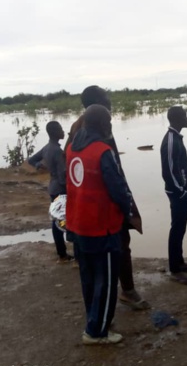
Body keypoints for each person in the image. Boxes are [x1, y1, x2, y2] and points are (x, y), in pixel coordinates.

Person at [66, 86, 150, 310]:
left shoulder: (99, 122)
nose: (110, 101)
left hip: (104, 194)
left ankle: (124, 291)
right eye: (106, 98)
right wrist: (123, 201)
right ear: (95, 102)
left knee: (121, 244)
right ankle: (117, 299)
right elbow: (78, 165)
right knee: (113, 248)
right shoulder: (90, 125)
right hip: (100, 199)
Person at [66, 104, 131, 344]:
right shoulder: (103, 151)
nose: (110, 125)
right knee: (106, 280)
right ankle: (96, 332)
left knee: (89, 278)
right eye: (109, 121)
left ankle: (95, 319)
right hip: (101, 226)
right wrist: (128, 211)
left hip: (77, 225)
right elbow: (118, 189)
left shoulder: (72, 148)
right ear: (103, 124)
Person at [160, 106, 187, 285]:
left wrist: (186, 189)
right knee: (176, 229)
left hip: (182, 191)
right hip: (177, 193)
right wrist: (182, 192)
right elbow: (168, 171)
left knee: (180, 228)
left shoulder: (176, 138)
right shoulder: (170, 141)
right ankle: (175, 269)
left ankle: (180, 262)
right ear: (177, 119)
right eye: (185, 116)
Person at [27, 121, 73, 262]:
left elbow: (31, 160)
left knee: (57, 221)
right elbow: (62, 176)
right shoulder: (57, 151)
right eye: (60, 129)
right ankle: (66, 255)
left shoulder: (47, 148)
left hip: (52, 188)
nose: (63, 131)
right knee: (64, 221)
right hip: (61, 190)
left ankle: (62, 254)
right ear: (54, 132)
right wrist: (70, 191)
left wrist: (39, 165)